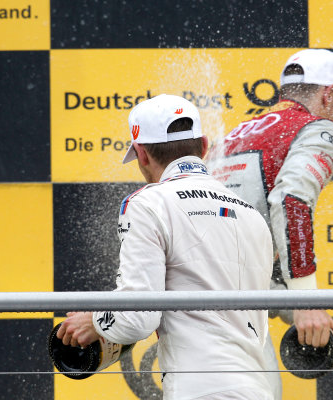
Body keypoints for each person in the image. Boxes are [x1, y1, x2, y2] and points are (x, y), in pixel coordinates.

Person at [57, 94, 275, 400]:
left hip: (198, 391)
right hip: (258, 390)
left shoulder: (149, 203)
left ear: (142, 154)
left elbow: (137, 317)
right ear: (203, 146)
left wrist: (94, 321)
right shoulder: (251, 214)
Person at [207, 49, 333, 396]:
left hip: (197, 304)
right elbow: (292, 201)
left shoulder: (235, 135)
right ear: (329, 95)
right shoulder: (318, 129)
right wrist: (306, 300)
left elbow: (239, 265)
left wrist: (290, 305)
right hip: (228, 312)